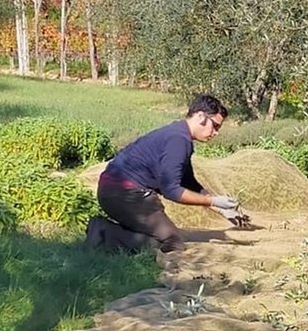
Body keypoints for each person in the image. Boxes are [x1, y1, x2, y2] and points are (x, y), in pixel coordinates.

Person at [92, 95, 244, 253]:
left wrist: (221, 209)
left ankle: (110, 233)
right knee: (173, 242)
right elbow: (172, 191)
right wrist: (212, 200)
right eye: (215, 126)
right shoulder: (178, 140)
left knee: (161, 235)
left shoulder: (179, 134)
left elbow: (188, 183)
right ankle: (104, 233)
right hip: (126, 194)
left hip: (114, 190)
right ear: (201, 116)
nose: (216, 133)